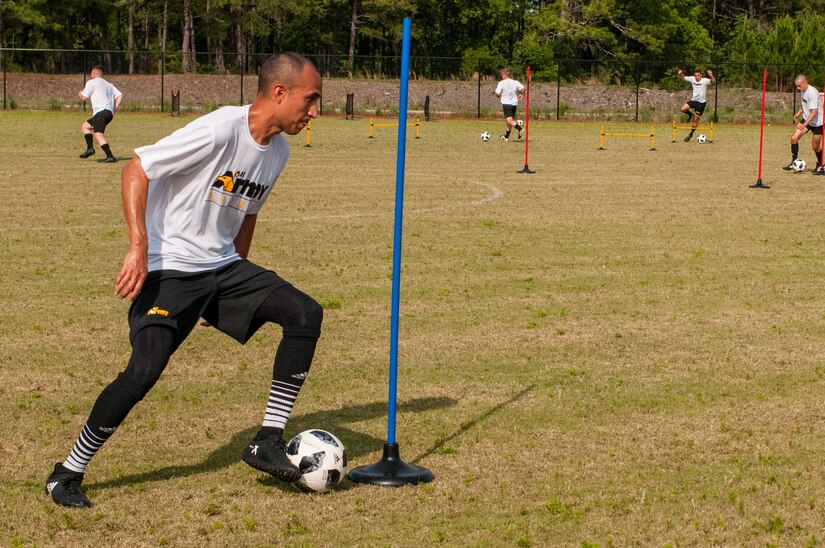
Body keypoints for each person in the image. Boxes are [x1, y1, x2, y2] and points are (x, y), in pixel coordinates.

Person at [45, 52, 323, 509]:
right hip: (169, 266)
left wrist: (233, 290)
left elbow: (247, 213)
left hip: (222, 268)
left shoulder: (280, 152)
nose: (315, 112)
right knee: (145, 369)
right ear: (279, 93)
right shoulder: (220, 129)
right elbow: (138, 168)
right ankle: (67, 472)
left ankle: (268, 438)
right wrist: (138, 245)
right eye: (310, 100)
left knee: (304, 314)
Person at [78, 66, 123, 163]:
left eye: (91, 73)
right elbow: (120, 95)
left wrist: (80, 93)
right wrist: (114, 109)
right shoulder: (109, 84)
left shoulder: (92, 82)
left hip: (101, 112)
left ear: (94, 72)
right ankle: (90, 148)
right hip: (108, 113)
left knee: (98, 134)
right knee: (85, 126)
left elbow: (84, 97)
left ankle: (110, 156)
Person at [783, 74, 824, 174]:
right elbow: (805, 105)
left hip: (818, 122)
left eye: (799, 86)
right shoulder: (803, 91)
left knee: (815, 146)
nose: (798, 88)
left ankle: (821, 165)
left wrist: (804, 125)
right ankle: (794, 163)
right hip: (807, 119)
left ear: (805, 82)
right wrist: (799, 112)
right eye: (797, 86)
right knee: (794, 138)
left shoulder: (812, 92)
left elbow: (814, 111)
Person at [677, 68, 715, 142]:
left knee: (696, 119)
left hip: (701, 103)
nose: (696, 77)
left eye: (698, 76)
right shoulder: (692, 79)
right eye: (695, 76)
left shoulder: (705, 80)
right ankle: (690, 114)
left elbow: (713, 83)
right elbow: (683, 78)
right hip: (693, 100)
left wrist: (711, 76)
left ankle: (691, 134)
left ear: (701, 75)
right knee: (683, 109)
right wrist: (680, 74)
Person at [494, 67, 525, 142]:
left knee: (509, 120)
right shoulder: (515, 82)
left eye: (502, 75)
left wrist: (497, 95)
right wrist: (521, 94)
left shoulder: (501, 83)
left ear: (504, 75)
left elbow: (497, 93)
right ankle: (506, 137)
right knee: (509, 121)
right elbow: (523, 88)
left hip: (506, 104)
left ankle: (520, 128)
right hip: (514, 104)